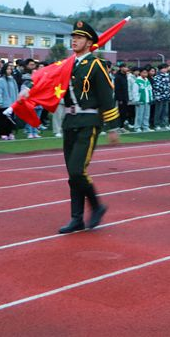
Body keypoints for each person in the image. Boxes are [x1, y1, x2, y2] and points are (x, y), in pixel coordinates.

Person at [57, 20, 120, 234]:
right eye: (73, 37)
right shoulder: (67, 64)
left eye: (79, 37)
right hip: (70, 122)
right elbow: (49, 80)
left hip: (88, 122)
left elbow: (107, 97)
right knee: (72, 174)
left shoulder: (96, 65)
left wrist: (113, 127)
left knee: (77, 170)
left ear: (89, 41)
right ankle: (76, 218)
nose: (74, 40)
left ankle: (96, 206)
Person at [0, 62, 19, 140]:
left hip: (12, 104)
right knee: (3, 120)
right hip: (3, 103)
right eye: (7, 69)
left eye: (10, 69)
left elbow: (16, 91)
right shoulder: (0, 80)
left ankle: (10, 132)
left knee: (11, 119)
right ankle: (3, 133)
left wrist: (17, 101)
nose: (9, 70)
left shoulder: (13, 80)